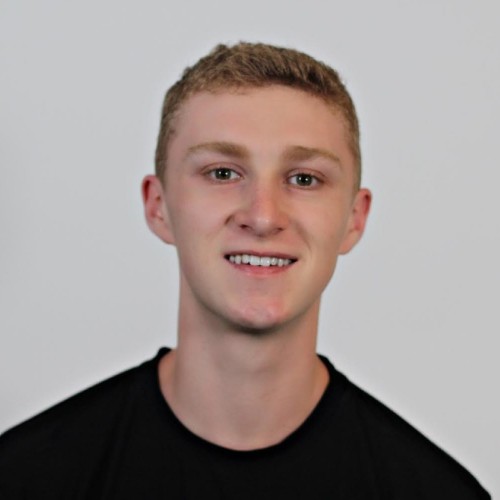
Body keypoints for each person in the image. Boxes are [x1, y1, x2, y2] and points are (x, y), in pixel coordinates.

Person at [0, 42, 490, 499]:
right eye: (222, 173)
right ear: (158, 206)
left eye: (304, 178)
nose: (262, 216)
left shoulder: (438, 493)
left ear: (354, 219)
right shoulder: (23, 477)